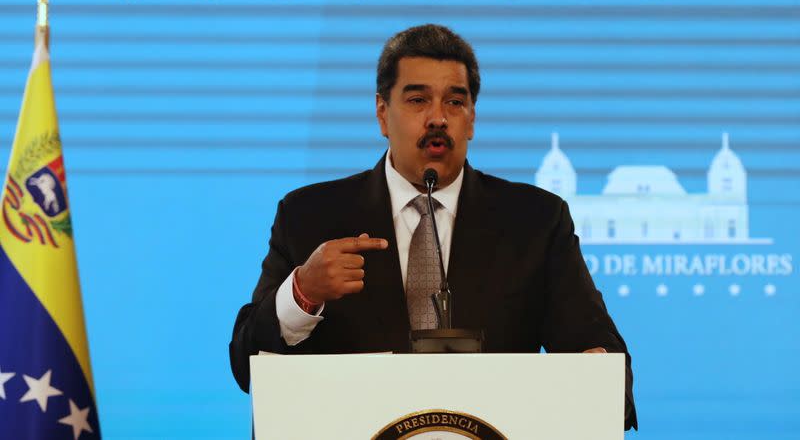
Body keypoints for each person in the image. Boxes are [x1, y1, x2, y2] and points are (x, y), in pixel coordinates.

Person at [229, 24, 637, 430]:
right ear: (382, 113)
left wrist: (592, 375)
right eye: (418, 99)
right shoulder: (310, 215)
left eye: (455, 102)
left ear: (472, 119)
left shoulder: (535, 221)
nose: (438, 118)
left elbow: (607, 362)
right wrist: (303, 293)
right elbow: (249, 364)